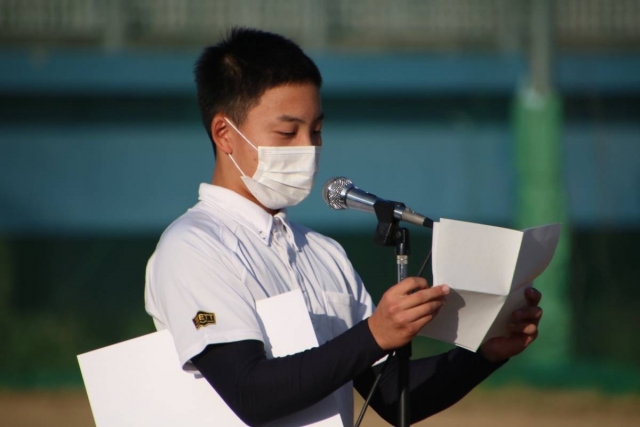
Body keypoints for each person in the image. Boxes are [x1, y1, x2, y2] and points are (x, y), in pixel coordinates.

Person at [144, 27, 543, 426]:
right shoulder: (192, 247)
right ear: (224, 134)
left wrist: (485, 355)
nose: (307, 147)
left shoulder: (325, 253)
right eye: (287, 132)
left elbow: (390, 395)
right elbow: (250, 393)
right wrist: (374, 334)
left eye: (316, 130)